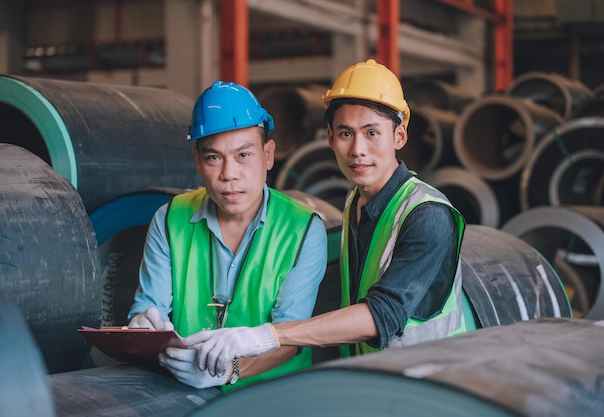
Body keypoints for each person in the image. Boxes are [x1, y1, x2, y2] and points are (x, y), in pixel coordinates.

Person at [183, 59, 468, 378]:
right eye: (346, 133)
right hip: (378, 380)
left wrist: (270, 335)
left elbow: (382, 315)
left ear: (399, 136)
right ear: (330, 137)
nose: (358, 149)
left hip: (433, 386)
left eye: (372, 132)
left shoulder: (427, 215)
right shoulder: (356, 200)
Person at [127, 80, 328, 391]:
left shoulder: (302, 229)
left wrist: (229, 371)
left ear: (268, 154)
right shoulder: (170, 219)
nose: (229, 174)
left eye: (243, 155)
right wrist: (142, 325)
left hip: (275, 398)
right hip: (184, 393)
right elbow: (149, 306)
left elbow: (290, 337)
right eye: (213, 158)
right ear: (198, 160)